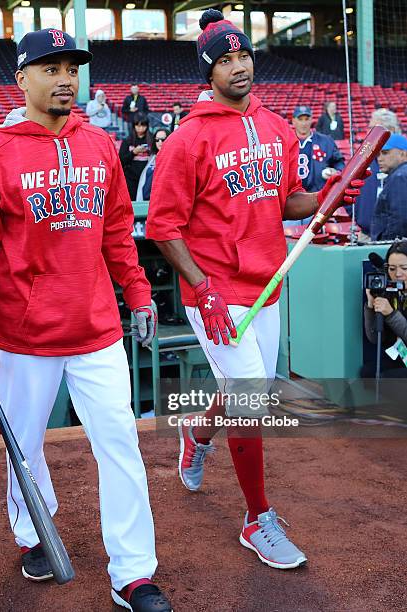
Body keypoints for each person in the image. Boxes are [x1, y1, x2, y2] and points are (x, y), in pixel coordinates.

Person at [0, 28, 171, 612]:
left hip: (96, 326)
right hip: (23, 334)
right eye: (50, 68)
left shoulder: (100, 145)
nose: (66, 78)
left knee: (120, 442)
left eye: (72, 67)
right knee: (23, 446)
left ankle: (133, 573)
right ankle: (34, 535)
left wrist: (139, 292)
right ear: (22, 79)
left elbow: (118, 232)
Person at [146, 9, 366, 571]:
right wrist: (204, 289)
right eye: (224, 60)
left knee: (252, 390)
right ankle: (257, 518)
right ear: (208, 71)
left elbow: (286, 198)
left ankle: (197, 432)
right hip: (213, 292)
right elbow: (163, 227)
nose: (238, 66)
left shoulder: (275, 128)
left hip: (265, 284)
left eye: (243, 55)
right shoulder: (187, 140)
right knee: (248, 391)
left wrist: (326, 195)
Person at [285, 105, 345, 225]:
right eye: (300, 119)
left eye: (306, 119)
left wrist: (336, 172)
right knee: (290, 238)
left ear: (311, 120)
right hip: (291, 202)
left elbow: (339, 162)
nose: (303, 123)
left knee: (315, 238)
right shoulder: (284, 141)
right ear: (293, 121)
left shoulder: (325, 141)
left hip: (316, 199)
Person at [355, 109, 401, 242]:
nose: (370, 133)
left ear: (391, 130)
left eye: (374, 129)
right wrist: (359, 216)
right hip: (365, 234)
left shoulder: (401, 161)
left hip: (394, 239)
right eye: (370, 128)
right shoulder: (363, 158)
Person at [363, 240, 407, 377]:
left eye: (404, 268)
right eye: (392, 269)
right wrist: (370, 306)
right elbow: (375, 339)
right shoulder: (390, 292)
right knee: (368, 374)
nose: (398, 274)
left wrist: (391, 314)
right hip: (400, 354)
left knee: (386, 380)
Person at [370, 134, 407, 241]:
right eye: (378, 154)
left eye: (385, 153)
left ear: (402, 154)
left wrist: (389, 246)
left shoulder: (400, 176)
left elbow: (400, 220)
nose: (379, 159)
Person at [119, 112, 152, 200]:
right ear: (134, 126)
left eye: (143, 126)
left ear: (147, 126)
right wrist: (133, 152)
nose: (140, 128)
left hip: (148, 178)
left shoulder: (152, 139)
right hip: (131, 178)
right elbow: (121, 160)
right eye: (137, 126)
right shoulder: (127, 141)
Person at [136, 128, 169, 201]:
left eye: (163, 139)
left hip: (160, 202)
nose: (160, 142)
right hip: (146, 201)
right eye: (157, 140)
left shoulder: (171, 158)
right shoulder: (152, 158)